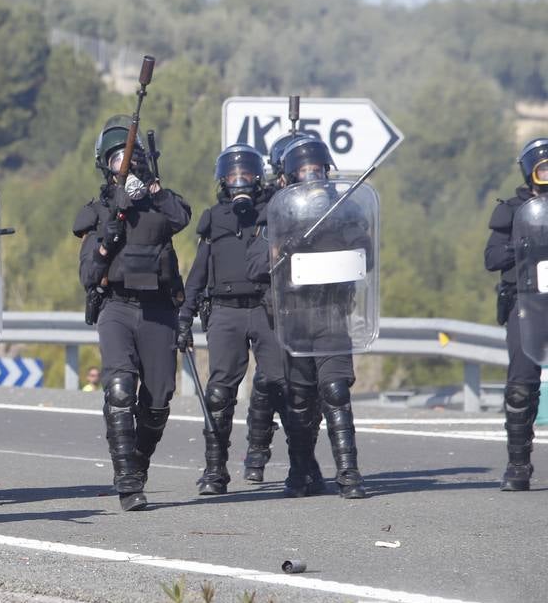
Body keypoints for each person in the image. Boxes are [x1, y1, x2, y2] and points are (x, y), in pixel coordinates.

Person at [74, 117, 191, 511]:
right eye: (116, 159)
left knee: (158, 399)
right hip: (117, 307)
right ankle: (127, 481)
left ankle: (138, 463)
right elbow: (88, 275)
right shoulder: (99, 212)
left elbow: (182, 215)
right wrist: (109, 237)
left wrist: (151, 190)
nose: (125, 165)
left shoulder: (161, 207)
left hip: (158, 309)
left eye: (131, 158)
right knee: (120, 388)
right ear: (105, 166)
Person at [250, 137, 374, 499]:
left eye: (316, 170)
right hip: (294, 319)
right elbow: (254, 265)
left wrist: (348, 241)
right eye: (303, 171)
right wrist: (281, 250)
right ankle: (300, 469)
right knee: (300, 402)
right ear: (288, 178)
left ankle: (349, 474)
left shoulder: (346, 213)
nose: (311, 176)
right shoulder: (274, 216)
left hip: (331, 315)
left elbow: (367, 256)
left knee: (335, 391)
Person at [177, 144, 287, 495]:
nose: (239, 181)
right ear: (222, 181)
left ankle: (258, 453)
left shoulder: (274, 212)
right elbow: (197, 272)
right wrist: (185, 315)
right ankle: (214, 470)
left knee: (275, 381)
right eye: (232, 176)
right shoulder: (214, 218)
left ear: (259, 178)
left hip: (265, 307)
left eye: (246, 175)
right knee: (219, 393)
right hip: (224, 311)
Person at [484, 137, 548, 491]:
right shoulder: (512, 209)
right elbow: (491, 259)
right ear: (530, 171)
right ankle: (518, 465)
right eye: (543, 168)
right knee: (521, 387)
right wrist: (523, 244)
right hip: (526, 305)